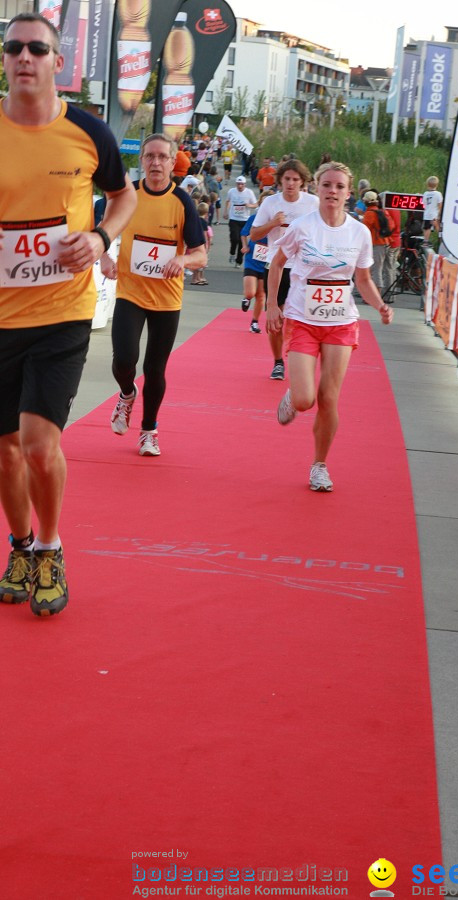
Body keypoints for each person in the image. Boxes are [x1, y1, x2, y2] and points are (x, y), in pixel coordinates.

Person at [0, 12, 136, 617]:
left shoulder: (89, 133)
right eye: (12, 49)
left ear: (59, 63)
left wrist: (103, 238)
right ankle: (21, 546)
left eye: (37, 48)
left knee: (35, 440)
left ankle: (51, 548)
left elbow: (123, 194)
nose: (24, 57)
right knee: (5, 447)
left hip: (62, 310)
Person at [266, 160, 393, 492]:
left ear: (349, 193)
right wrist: (270, 305)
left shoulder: (359, 232)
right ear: (317, 189)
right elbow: (277, 264)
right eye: (327, 185)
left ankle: (319, 466)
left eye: (339, 187)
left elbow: (362, 278)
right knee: (307, 398)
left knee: (329, 398)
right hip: (302, 319)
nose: (332, 191)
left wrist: (379, 305)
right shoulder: (303, 227)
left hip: (341, 322)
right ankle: (294, 396)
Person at [101, 133, 206, 458]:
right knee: (123, 360)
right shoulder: (127, 194)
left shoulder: (182, 201)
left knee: (155, 368)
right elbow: (101, 227)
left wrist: (182, 260)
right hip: (130, 293)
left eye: (163, 157)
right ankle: (127, 394)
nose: (156, 162)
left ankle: (149, 430)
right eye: (150, 156)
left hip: (166, 299)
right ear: (142, 160)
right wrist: (105, 256)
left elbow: (200, 254)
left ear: (173, 162)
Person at [250, 158, 319, 379]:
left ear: (302, 182)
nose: (290, 183)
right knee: (275, 319)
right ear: (280, 180)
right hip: (276, 265)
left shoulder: (313, 203)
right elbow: (253, 235)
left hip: (304, 268)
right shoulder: (270, 203)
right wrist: (273, 224)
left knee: (302, 319)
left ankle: (300, 358)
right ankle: (278, 361)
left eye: (295, 179)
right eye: (287, 179)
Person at [240, 191, 273, 334]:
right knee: (251, 292)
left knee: (261, 295)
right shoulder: (254, 218)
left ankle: (254, 322)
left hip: (266, 262)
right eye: (263, 202)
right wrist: (245, 245)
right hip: (251, 260)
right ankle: (246, 298)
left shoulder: (274, 223)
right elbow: (244, 233)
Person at [361, 190, 392, 294]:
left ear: (367, 202)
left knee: (375, 270)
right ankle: (378, 293)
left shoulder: (369, 214)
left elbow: (364, 231)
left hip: (376, 244)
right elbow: (391, 226)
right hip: (385, 242)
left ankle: (376, 294)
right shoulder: (382, 212)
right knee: (382, 269)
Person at [224, 175, 257, 267]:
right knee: (234, 238)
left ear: (245, 184)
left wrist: (249, 205)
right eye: (238, 184)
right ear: (236, 184)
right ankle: (232, 253)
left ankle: (238, 261)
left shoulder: (249, 193)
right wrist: (226, 212)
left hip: (244, 219)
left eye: (242, 184)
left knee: (241, 241)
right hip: (234, 218)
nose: (240, 186)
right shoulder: (232, 191)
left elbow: (256, 204)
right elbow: (227, 201)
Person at [422, 175, 443, 245]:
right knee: (437, 226)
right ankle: (441, 239)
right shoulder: (438, 194)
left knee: (426, 228)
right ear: (436, 185)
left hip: (427, 214)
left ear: (427, 184)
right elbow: (440, 204)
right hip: (434, 215)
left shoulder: (425, 193)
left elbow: (424, 203)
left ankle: (426, 241)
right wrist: (439, 213)